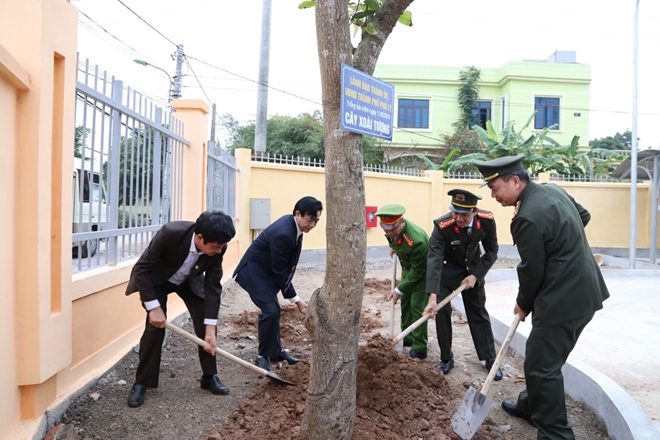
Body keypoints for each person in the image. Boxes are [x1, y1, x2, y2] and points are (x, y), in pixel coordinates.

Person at [474, 155, 610, 440]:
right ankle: (530, 406)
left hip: (562, 300)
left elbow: (531, 271)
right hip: (587, 292)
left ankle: (555, 434)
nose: (492, 194)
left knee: (541, 365)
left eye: (496, 187)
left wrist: (523, 303)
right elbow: (582, 216)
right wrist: (565, 250)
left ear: (515, 181)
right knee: (544, 358)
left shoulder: (526, 218)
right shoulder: (552, 190)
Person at [125, 211, 236, 408]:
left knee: (206, 324)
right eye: (215, 247)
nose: (219, 251)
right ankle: (141, 383)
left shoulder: (218, 246)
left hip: (188, 281)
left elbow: (212, 286)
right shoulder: (170, 233)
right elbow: (141, 269)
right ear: (200, 238)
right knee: (155, 328)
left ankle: (209, 377)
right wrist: (154, 307)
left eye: (222, 246)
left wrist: (211, 327)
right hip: (157, 282)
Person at [233, 196, 323, 372]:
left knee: (274, 310)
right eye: (310, 220)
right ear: (298, 214)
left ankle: (275, 352)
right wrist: (297, 300)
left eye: (316, 221)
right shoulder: (284, 233)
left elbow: (283, 269)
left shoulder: (294, 227)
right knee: (270, 311)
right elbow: (280, 271)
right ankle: (262, 356)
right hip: (254, 273)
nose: (312, 225)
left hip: (266, 273)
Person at [423, 189, 503, 380]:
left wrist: (476, 275)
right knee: (441, 311)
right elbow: (434, 260)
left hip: (473, 270)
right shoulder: (442, 226)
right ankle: (446, 358)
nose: (458, 218)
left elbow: (492, 251)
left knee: (478, 311)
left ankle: (489, 358)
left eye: (464, 214)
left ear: (474, 211)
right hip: (447, 271)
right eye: (455, 212)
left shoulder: (486, 220)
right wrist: (433, 296)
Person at [375, 204, 429, 359]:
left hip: (423, 273)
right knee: (406, 303)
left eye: (393, 230)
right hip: (409, 271)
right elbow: (395, 239)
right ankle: (407, 336)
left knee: (417, 307)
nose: (389, 233)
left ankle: (420, 346)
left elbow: (418, 271)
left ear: (402, 222)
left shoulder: (416, 240)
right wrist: (395, 246)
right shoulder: (394, 232)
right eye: (386, 230)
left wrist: (398, 290)